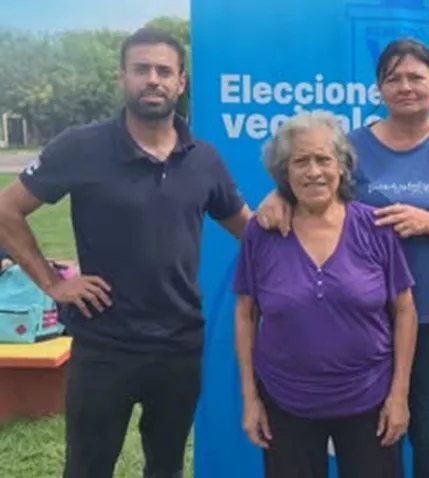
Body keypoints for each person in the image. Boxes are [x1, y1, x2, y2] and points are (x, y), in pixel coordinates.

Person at [0, 27, 251, 478]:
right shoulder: (81, 147)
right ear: (122, 77)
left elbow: (247, 230)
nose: (153, 79)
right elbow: (7, 210)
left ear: (181, 81)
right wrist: (53, 283)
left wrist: (294, 214)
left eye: (164, 71)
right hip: (104, 346)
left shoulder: (204, 159)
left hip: (179, 346)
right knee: (87, 468)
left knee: (167, 468)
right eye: (141, 69)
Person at [255, 38, 429, 478]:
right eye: (393, 78)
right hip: (363, 318)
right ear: (379, 89)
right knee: (373, 433)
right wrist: (277, 195)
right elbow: (313, 177)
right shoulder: (356, 145)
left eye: (416, 77)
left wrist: (428, 222)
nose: (405, 87)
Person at [232, 110, 418, 478]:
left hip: (370, 399)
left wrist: (399, 395)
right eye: (300, 161)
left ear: (342, 167)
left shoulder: (375, 227)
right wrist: (250, 399)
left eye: (323, 159)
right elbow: (244, 314)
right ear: (284, 173)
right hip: (286, 402)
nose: (314, 171)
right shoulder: (262, 233)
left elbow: (405, 311)